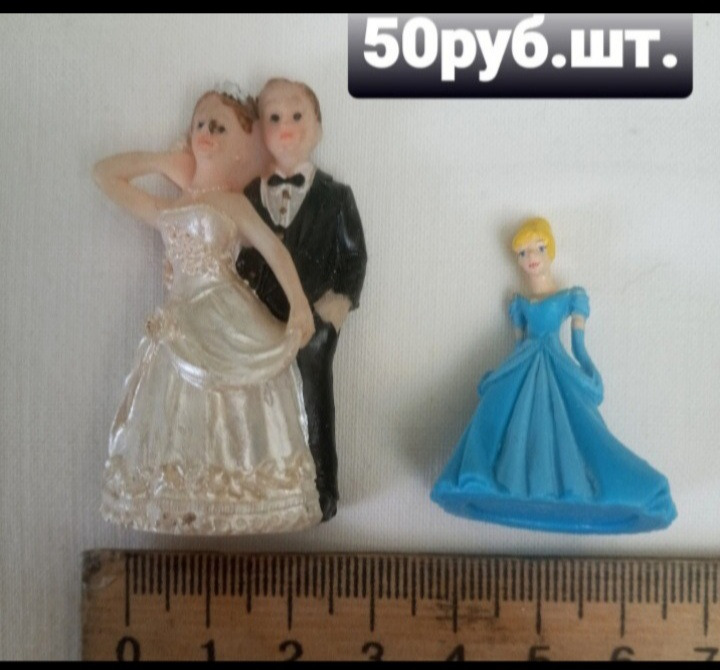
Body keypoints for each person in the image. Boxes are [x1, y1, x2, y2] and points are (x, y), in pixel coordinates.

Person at [93, 85, 323, 534]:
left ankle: (239, 495)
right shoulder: (170, 207)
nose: (206, 132)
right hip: (181, 318)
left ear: (241, 148)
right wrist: (163, 161)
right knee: (182, 408)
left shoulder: (233, 203)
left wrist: (299, 306)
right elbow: (104, 174)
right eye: (200, 123)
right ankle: (191, 495)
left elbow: (275, 251)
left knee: (230, 401)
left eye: (219, 127)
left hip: (223, 310)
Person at [431, 217, 677, 534]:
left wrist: (587, 371)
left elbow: (578, 344)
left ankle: (600, 487)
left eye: (539, 248)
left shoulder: (570, 297)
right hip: (526, 362)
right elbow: (518, 345)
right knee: (503, 412)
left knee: (577, 426)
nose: (531, 258)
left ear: (550, 251)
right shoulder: (519, 304)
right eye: (523, 253)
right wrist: (501, 375)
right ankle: (493, 480)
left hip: (555, 361)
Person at [236, 78, 367, 521]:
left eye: (296, 116)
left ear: (318, 128)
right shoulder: (248, 196)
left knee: (313, 399)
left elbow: (354, 256)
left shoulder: (336, 197)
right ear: (261, 131)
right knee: (258, 402)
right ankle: (260, 486)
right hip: (258, 319)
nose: (286, 128)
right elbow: (238, 253)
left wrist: (337, 307)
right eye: (274, 118)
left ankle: (320, 488)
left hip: (314, 320)